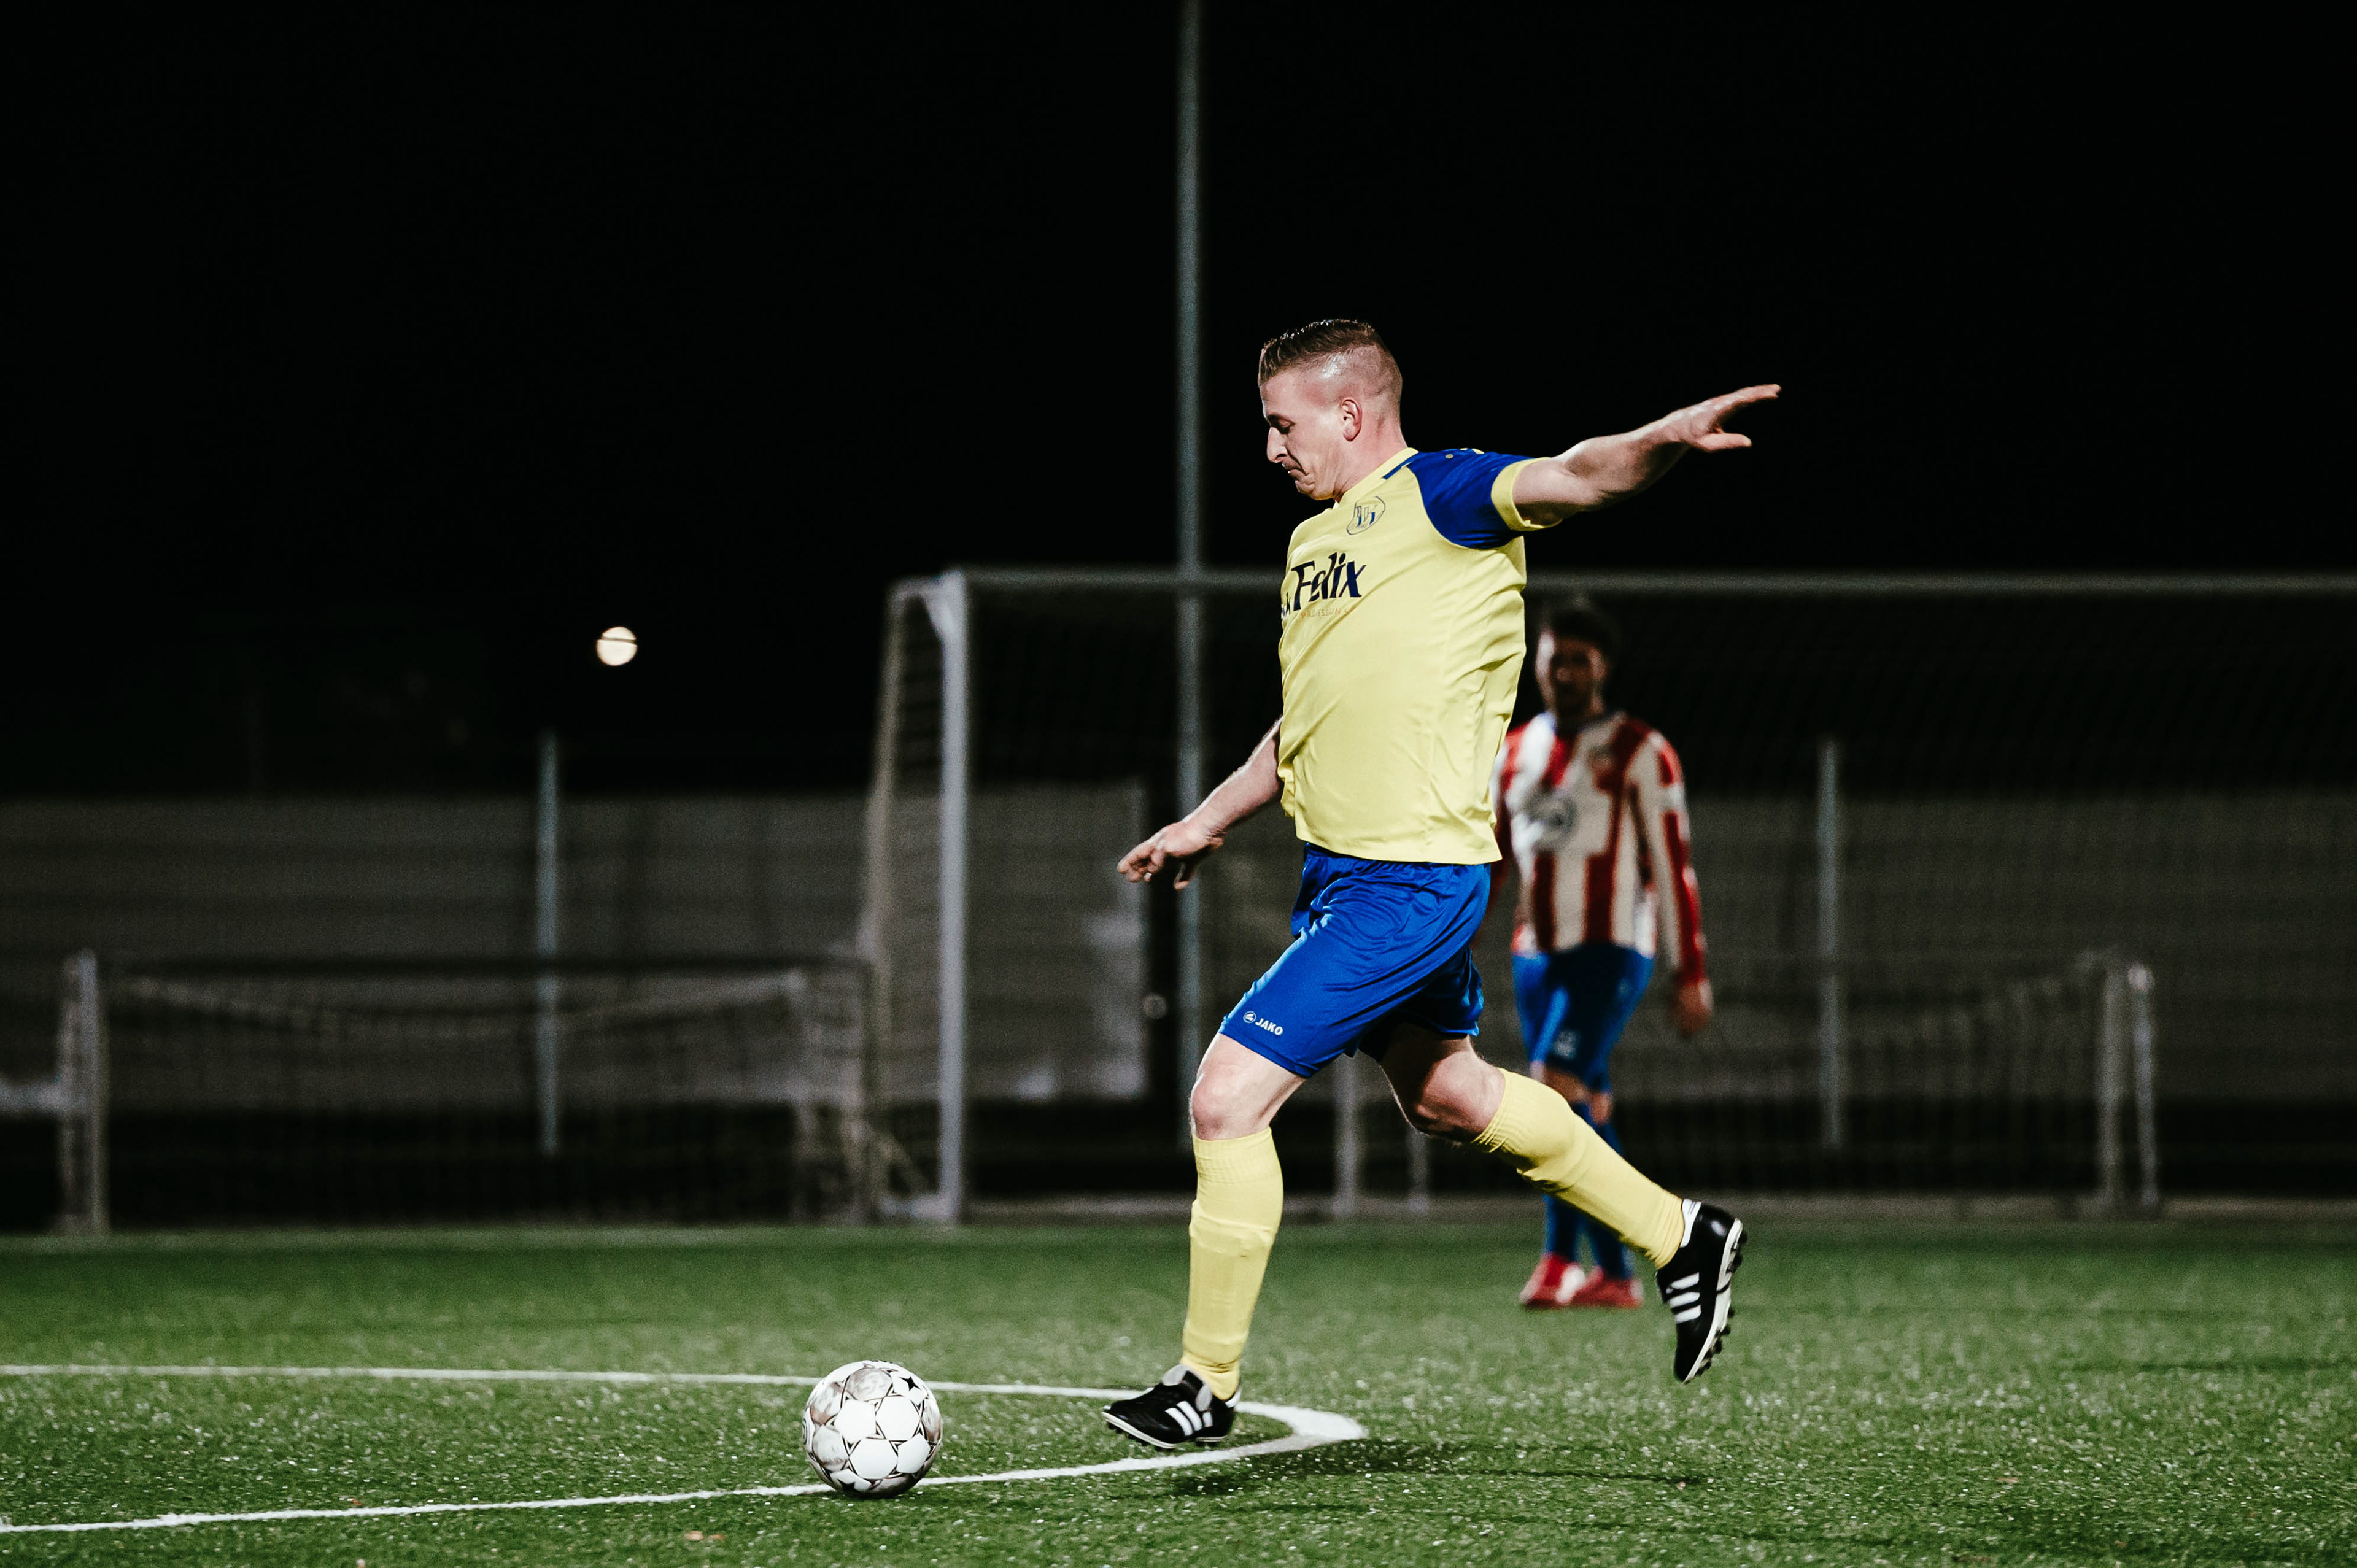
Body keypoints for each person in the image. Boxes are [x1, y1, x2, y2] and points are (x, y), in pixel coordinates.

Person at [1103, 319, 1771, 1450]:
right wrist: (1205, 820)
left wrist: (1660, 436)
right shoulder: (1313, 545)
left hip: (1409, 880)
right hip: (1344, 877)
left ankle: (1203, 1383)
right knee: (1448, 1095)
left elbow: (1579, 475)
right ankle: (1683, 1236)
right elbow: (1304, 721)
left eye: (1282, 423)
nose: (1269, 447)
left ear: (1350, 412)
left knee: (1225, 1096)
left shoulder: (1445, 494)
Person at [1493, 599, 1713, 1311]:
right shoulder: (1514, 750)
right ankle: (1618, 1272)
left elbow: (1674, 864)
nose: (1564, 672)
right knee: (1583, 1105)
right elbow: (1493, 858)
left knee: (1550, 1092)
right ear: (1537, 665)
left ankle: (1561, 1259)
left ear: (1603, 668)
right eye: (1554, 659)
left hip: (1612, 948)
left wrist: (1690, 970)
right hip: (1536, 956)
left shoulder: (1641, 749)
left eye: (1578, 660)